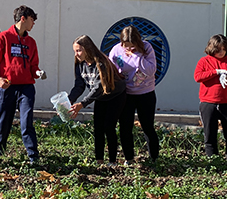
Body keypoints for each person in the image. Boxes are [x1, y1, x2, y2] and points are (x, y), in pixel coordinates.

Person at [0, 5, 46, 164]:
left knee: (26, 121)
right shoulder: (3, 38)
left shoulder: (31, 43)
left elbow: (34, 67)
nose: (33, 24)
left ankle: (33, 155)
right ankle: (0, 150)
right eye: (32, 20)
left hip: (26, 88)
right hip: (8, 87)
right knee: (4, 119)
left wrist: (38, 73)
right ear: (23, 18)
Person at [68, 35, 126, 166]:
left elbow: (98, 87)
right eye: (75, 51)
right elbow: (79, 85)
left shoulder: (101, 63)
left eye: (78, 50)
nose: (76, 54)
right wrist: (69, 101)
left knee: (108, 126)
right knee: (98, 128)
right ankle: (99, 160)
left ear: (87, 49)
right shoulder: (80, 64)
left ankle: (112, 161)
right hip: (100, 97)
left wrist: (82, 104)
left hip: (115, 95)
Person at [108, 25, 160, 164]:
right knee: (125, 127)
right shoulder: (116, 50)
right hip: (126, 94)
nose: (128, 49)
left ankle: (154, 158)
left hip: (145, 93)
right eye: (126, 46)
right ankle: (129, 158)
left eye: (132, 46)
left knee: (147, 126)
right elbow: (111, 68)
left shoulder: (147, 48)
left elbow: (150, 70)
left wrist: (136, 56)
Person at [194, 34, 227, 160]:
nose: (221, 52)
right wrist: (216, 72)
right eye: (218, 49)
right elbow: (198, 77)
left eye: (224, 49)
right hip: (208, 102)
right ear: (212, 48)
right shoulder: (204, 61)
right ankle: (213, 160)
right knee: (210, 134)